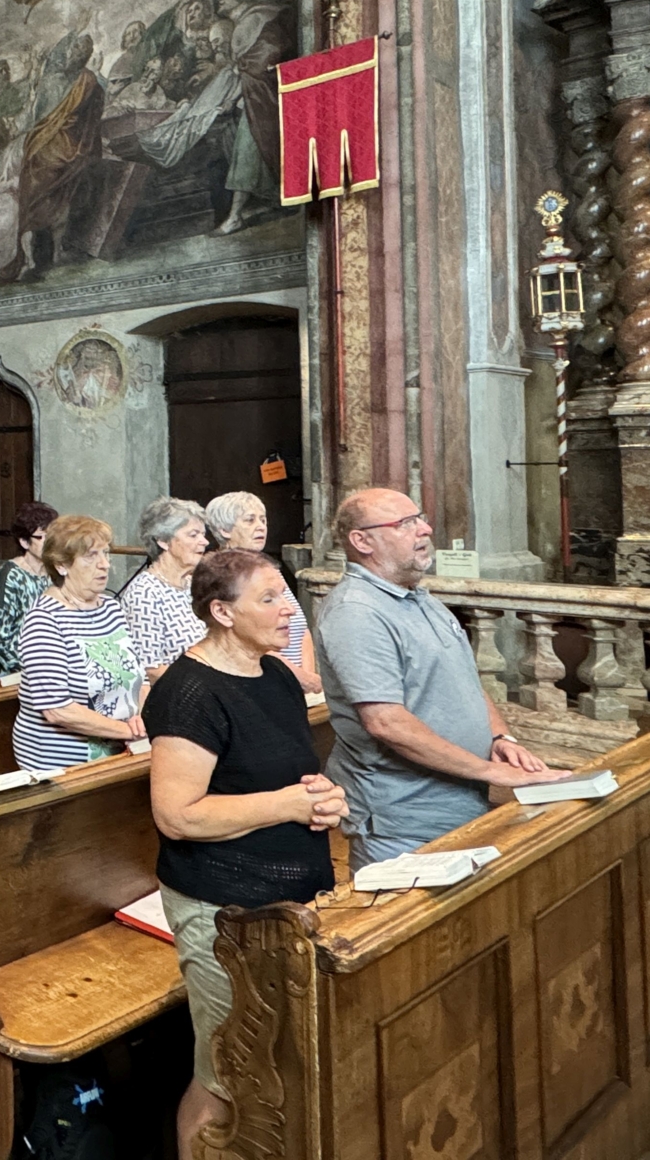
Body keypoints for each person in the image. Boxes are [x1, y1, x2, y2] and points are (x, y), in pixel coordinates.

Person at [143, 547, 347, 1154]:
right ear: (221, 613)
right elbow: (177, 815)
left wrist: (321, 796)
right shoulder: (189, 695)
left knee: (277, 1058)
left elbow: (283, 774)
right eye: (269, 599)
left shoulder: (276, 675)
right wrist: (288, 805)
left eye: (283, 596)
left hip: (287, 900)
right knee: (227, 1072)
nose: (288, 610)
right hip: (222, 914)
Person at [316, 489, 565, 868]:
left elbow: (465, 682)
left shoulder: (419, 597)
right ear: (362, 541)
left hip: (459, 802)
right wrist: (489, 771)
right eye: (405, 524)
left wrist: (500, 737)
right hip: (404, 819)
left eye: (419, 518)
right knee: (416, 925)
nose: (425, 529)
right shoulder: (357, 611)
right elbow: (385, 722)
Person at [13, 514, 144, 772]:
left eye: (106, 554)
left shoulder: (111, 608)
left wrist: (142, 719)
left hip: (124, 746)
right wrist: (127, 731)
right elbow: (57, 709)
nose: (104, 565)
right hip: (62, 763)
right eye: (91, 556)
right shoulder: (45, 620)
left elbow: (140, 678)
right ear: (62, 565)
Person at [204, 490, 319, 690]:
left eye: (263, 520)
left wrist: (308, 676)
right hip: (263, 682)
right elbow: (248, 638)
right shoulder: (222, 576)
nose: (260, 527)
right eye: (250, 520)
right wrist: (298, 677)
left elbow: (301, 629)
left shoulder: (269, 569)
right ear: (224, 530)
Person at [123, 496, 211, 682]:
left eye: (203, 534)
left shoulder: (193, 584)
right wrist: (207, 689)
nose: (204, 542)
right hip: (177, 694)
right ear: (163, 541)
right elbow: (149, 668)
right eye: (193, 535)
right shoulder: (145, 593)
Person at [0, 500, 57, 678]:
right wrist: (36, 671)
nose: (49, 543)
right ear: (24, 542)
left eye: (52, 537)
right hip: (18, 675)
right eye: (41, 537)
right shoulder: (9, 576)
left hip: (54, 668)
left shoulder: (55, 573)